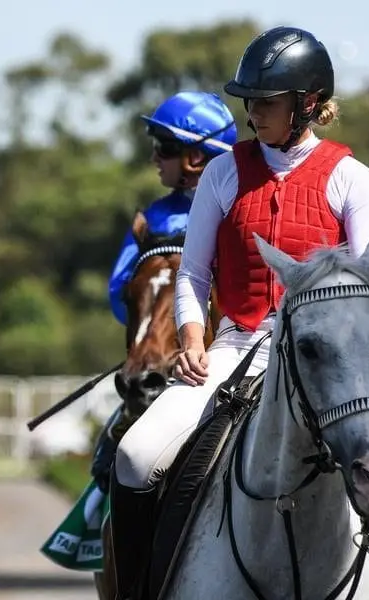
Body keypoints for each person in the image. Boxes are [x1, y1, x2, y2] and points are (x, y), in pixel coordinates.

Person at [110, 26, 369, 600]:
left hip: (330, 354)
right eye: (249, 101)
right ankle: (142, 589)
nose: (251, 113)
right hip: (237, 347)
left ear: (308, 104)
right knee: (134, 456)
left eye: (265, 102)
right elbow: (193, 274)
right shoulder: (223, 173)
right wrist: (192, 337)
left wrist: (328, 337)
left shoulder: (351, 177)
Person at [91, 91, 237, 493]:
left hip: (229, 352)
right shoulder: (150, 217)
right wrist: (154, 332)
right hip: (155, 359)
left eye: (165, 147)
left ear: (197, 157)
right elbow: (122, 292)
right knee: (108, 461)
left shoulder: (238, 208)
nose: (155, 156)